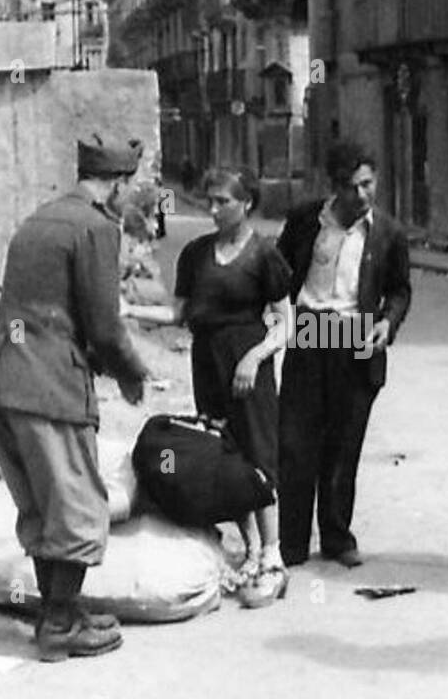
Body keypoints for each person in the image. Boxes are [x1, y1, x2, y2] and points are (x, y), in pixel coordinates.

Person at [0, 139, 148, 662]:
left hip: (5, 377)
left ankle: (58, 611)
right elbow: (105, 327)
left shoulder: (38, 220)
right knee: (77, 507)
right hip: (50, 385)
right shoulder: (95, 228)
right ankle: (60, 624)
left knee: (44, 505)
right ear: (117, 184)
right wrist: (131, 374)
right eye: (128, 187)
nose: (128, 196)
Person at [126, 167, 293, 608]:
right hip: (208, 362)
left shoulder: (264, 256)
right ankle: (252, 550)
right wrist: (127, 310)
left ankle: (274, 558)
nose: (215, 209)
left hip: (248, 363)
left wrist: (255, 358)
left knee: (258, 456)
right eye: (211, 201)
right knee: (223, 452)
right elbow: (180, 315)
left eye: (224, 201)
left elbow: (286, 323)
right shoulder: (196, 254)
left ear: (247, 204)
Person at [276, 139, 412, 568]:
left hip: (355, 337)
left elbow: (399, 290)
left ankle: (336, 538)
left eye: (368, 184)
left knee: (343, 446)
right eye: (353, 187)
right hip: (311, 330)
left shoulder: (387, 233)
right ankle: (291, 544)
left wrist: (387, 323)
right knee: (297, 445)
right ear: (335, 186)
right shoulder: (304, 221)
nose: (362, 195)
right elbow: (280, 271)